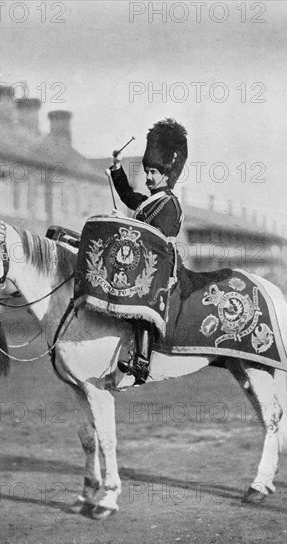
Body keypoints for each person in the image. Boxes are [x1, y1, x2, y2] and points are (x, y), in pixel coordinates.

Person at [110, 118, 188, 385]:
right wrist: (117, 169)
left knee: (143, 302)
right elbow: (128, 197)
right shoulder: (149, 201)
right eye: (148, 171)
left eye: (155, 172)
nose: (149, 177)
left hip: (162, 267)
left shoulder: (170, 205)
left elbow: (158, 242)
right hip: (147, 263)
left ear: (168, 173)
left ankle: (141, 363)